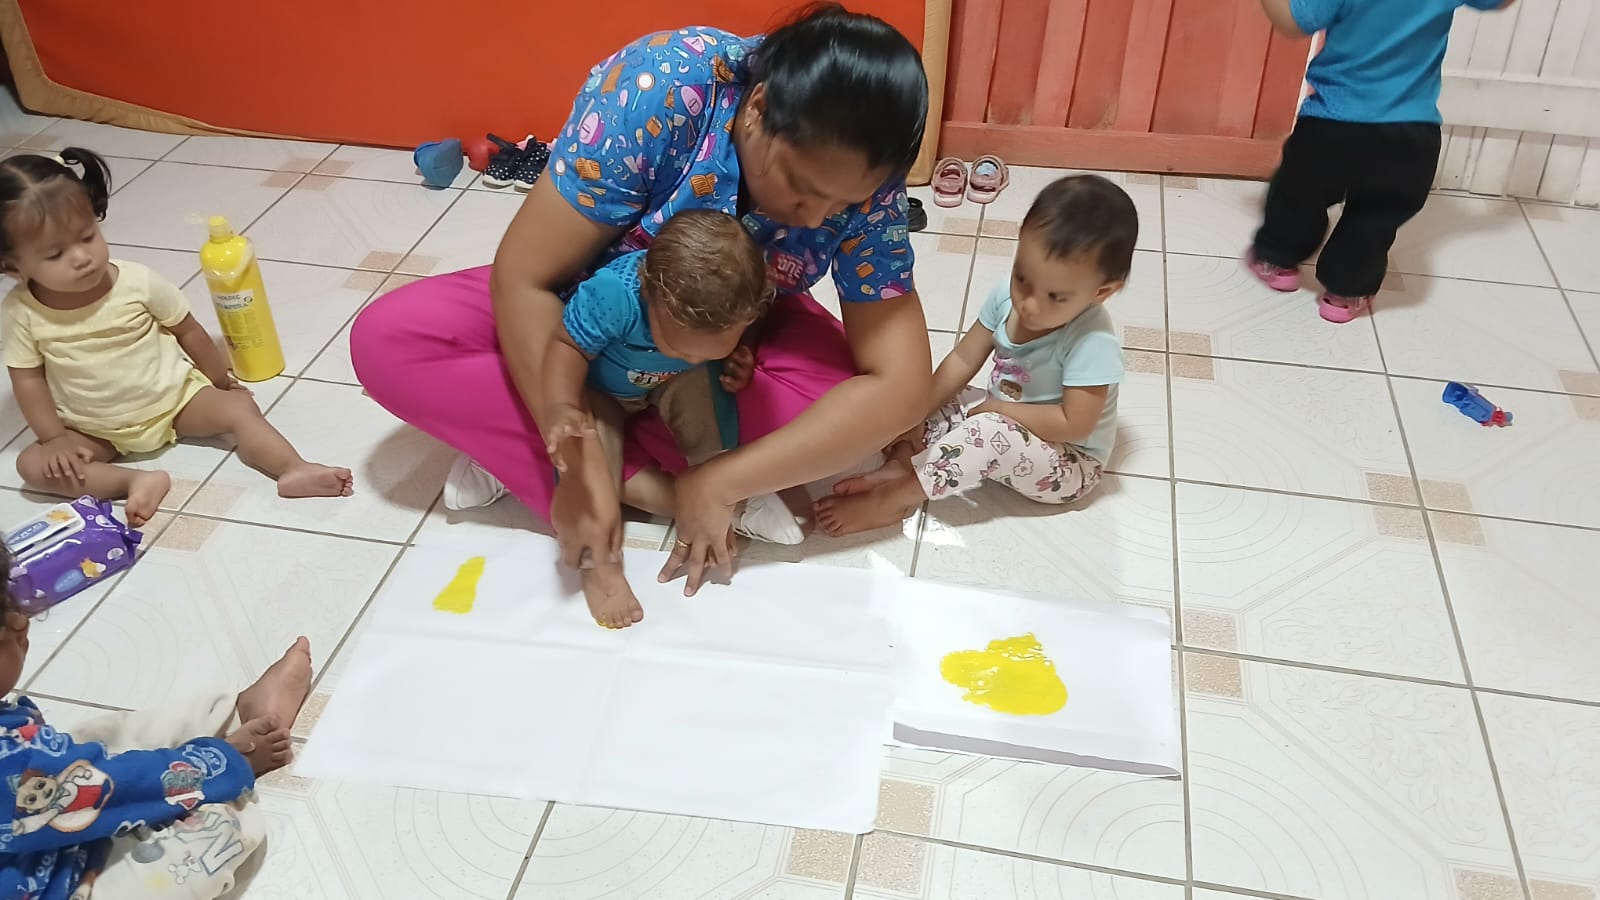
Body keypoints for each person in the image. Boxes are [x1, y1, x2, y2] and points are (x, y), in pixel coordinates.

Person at [350, 3, 934, 599]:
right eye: (803, 188)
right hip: (589, 314)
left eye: (841, 205)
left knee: (844, 403)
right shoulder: (666, 83)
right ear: (758, 108)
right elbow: (526, 279)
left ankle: (549, 450)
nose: (814, 219)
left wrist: (722, 481)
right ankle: (639, 479)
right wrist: (575, 453)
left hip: (724, 341)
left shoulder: (869, 180)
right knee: (392, 341)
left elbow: (901, 384)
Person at [0, 149, 354, 527]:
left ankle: (293, 468)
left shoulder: (137, 282)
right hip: (92, 428)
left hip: (176, 401)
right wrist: (54, 438)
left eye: (88, 236)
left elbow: (188, 330)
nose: (81, 257)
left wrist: (220, 382)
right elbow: (28, 379)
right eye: (55, 254)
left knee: (239, 410)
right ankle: (134, 481)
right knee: (32, 466)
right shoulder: (21, 312)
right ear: (14, 267)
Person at [815, 175, 1133, 535]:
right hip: (1005, 418)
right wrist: (914, 414)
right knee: (925, 396)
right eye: (1022, 278)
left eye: (1055, 297)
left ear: (1102, 292)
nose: (1029, 304)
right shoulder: (1005, 297)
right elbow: (964, 360)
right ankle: (902, 463)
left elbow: (1074, 424)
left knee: (986, 428)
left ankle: (893, 499)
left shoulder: (1092, 342)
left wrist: (999, 411)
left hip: (1067, 462)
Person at [0, 540, 313, 898]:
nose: (21, 622)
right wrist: (228, 762)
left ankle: (231, 714)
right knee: (203, 843)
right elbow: (116, 790)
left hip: (44, 827)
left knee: (99, 738)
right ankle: (235, 760)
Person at [542, 209, 801, 627]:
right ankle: (598, 565)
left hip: (670, 384)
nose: (694, 356)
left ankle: (719, 498)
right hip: (601, 390)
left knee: (706, 394)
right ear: (649, 293)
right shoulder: (613, 294)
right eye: (679, 346)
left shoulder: (734, 312)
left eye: (708, 349)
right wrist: (560, 406)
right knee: (587, 467)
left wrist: (739, 354)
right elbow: (564, 346)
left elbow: (711, 354)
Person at [1247, 0, 1517, 323]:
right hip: (1412, 133)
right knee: (1376, 215)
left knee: (1299, 194)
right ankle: (1346, 292)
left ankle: (1276, 258)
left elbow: (1293, 23)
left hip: (1334, 122)